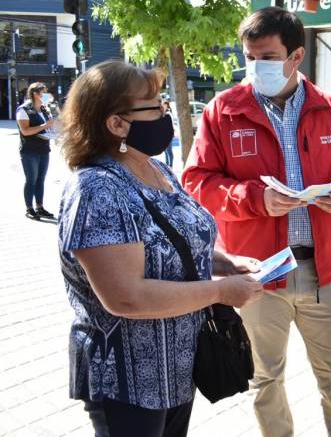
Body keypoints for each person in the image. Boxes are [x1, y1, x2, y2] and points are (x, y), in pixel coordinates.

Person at [182, 6, 331, 437]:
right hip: (259, 274)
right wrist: (254, 199)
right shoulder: (223, 111)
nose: (256, 67)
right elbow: (196, 180)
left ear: (296, 57)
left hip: (324, 273)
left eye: (267, 57)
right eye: (249, 56)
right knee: (264, 379)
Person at [57, 60, 264, 437]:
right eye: (154, 106)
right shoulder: (97, 190)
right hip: (127, 380)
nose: (165, 113)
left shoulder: (156, 169)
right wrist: (220, 291)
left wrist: (226, 263)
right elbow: (127, 298)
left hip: (175, 368)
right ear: (116, 123)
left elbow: (179, 242)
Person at [16, 82, 55, 220]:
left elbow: (48, 126)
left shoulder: (44, 108)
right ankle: (29, 208)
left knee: (41, 180)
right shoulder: (24, 110)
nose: (46, 95)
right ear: (35, 94)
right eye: (43, 92)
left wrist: (53, 132)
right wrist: (45, 125)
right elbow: (25, 131)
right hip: (30, 151)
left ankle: (40, 207)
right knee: (31, 180)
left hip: (44, 149)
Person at [162, 99, 175, 168]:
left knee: (169, 150)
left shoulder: (168, 113)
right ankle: (167, 165)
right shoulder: (164, 113)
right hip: (165, 134)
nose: (163, 106)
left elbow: (170, 125)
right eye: (163, 104)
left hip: (168, 134)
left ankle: (170, 165)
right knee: (166, 151)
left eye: (164, 104)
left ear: (167, 105)